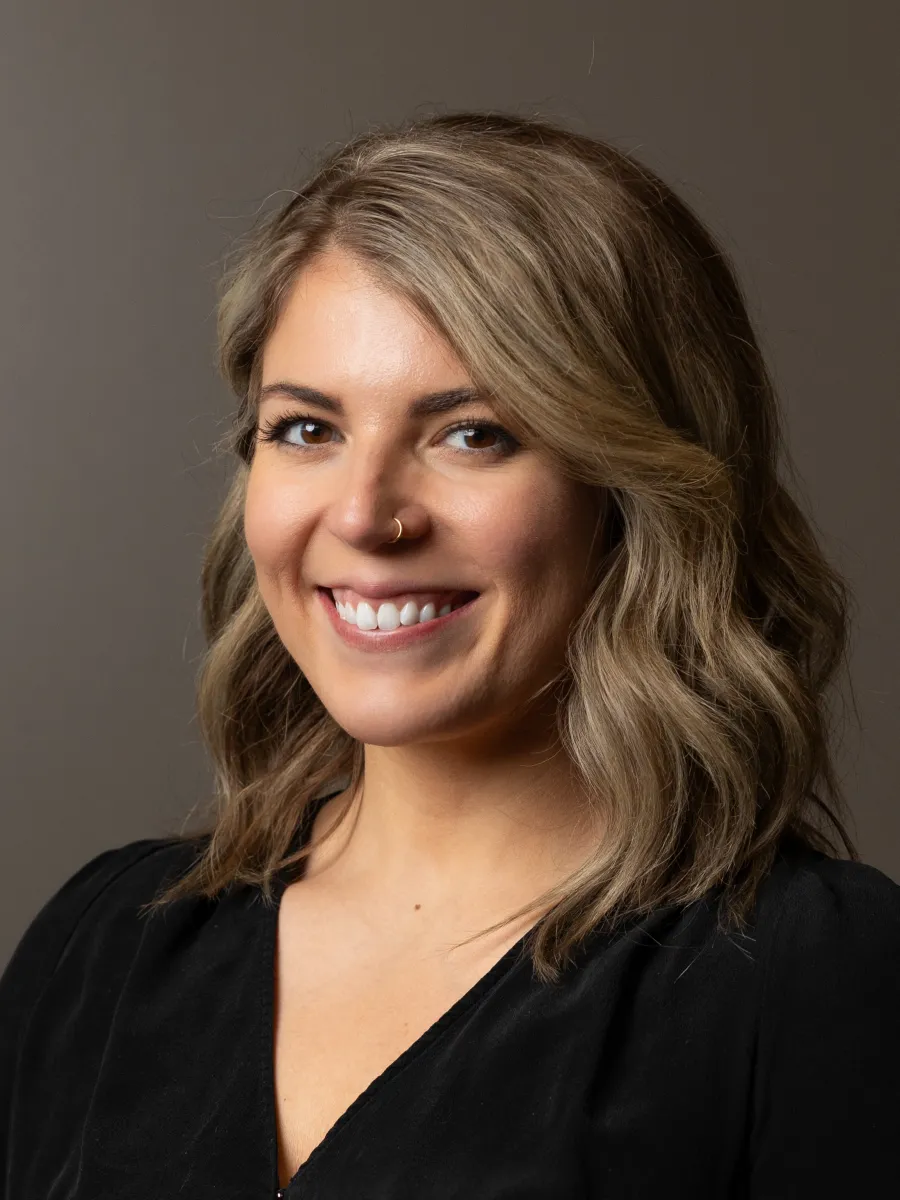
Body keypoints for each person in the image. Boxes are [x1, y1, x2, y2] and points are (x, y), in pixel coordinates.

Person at [1, 110, 898, 1200]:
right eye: (307, 429)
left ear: (633, 493)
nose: (365, 515)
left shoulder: (815, 977)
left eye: (474, 434)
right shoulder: (107, 940)